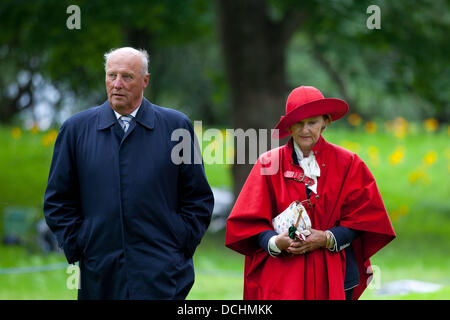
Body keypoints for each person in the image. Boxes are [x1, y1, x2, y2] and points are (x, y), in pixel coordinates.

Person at [44, 47, 214, 299]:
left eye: (127, 76)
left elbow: (198, 199)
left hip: (162, 273)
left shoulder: (177, 127)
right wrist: (80, 244)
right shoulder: (75, 130)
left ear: (145, 81)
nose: (117, 84)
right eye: (111, 75)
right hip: (99, 273)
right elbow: (57, 201)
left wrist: (178, 245)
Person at [225, 85, 396, 300]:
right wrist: (276, 242)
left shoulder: (349, 163)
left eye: (312, 122)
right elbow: (248, 223)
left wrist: (326, 238)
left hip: (336, 271)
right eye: (298, 123)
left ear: (326, 121)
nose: (305, 130)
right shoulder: (268, 164)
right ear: (289, 126)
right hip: (282, 276)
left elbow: (365, 219)